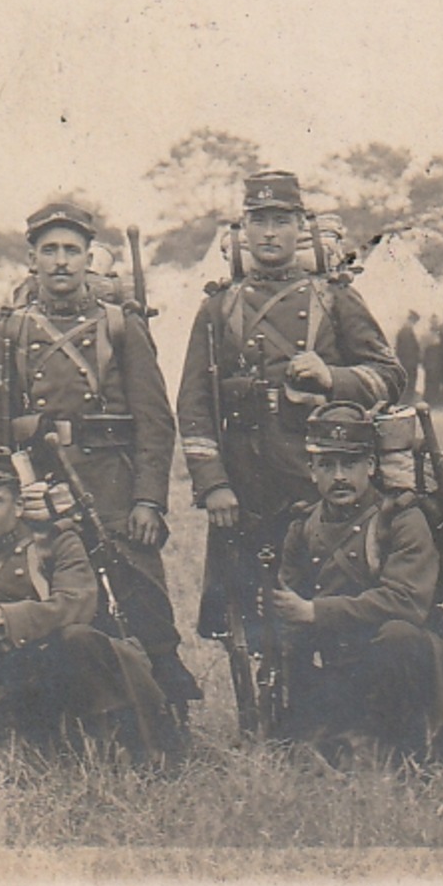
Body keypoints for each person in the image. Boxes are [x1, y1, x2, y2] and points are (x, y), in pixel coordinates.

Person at [176, 171, 406, 686]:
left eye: (282, 220)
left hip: (321, 483)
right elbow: (192, 405)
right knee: (254, 606)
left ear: (300, 227)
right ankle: (274, 691)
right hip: (246, 487)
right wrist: (213, 484)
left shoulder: (335, 299)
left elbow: (391, 377)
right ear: (242, 231)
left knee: (327, 592)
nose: (270, 233)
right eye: (259, 221)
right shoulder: (217, 307)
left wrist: (334, 378)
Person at [0, 199, 200, 711]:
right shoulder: (12, 331)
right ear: (32, 258)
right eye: (49, 250)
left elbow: (155, 421)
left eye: (72, 251)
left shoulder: (120, 326)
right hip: (42, 491)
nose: (61, 261)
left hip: (115, 489)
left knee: (143, 600)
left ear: (88, 258)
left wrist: (149, 500)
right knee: (61, 603)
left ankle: (166, 707)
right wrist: (4, 505)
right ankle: (76, 711)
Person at [266, 404, 443, 765]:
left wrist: (315, 612)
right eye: (327, 465)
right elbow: (289, 608)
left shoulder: (401, 518)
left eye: (349, 464)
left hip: (419, 669)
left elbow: (406, 602)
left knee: (397, 636)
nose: (339, 477)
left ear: (370, 466)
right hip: (345, 663)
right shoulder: (302, 527)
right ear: (311, 470)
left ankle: (412, 745)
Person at [0, 450, 174, 761]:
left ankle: (127, 744)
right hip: (29, 682)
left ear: (18, 505)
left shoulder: (55, 541)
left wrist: (0, 617)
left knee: (76, 638)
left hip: (94, 676)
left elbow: (76, 603)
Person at [393, 310, 423, 401]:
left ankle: (407, 400)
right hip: (409, 363)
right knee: (409, 383)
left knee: (408, 383)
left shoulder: (404, 331)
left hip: (406, 362)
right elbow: (408, 350)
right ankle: (407, 401)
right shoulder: (406, 332)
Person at [421, 314, 443, 405]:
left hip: (439, 364)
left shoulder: (441, 335)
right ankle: (429, 402)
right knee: (429, 383)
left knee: (437, 383)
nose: (435, 324)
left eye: (436, 322)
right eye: (433, 322)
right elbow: (422, 350)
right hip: (430, 364)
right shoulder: (426, 335)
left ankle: (436, 402)